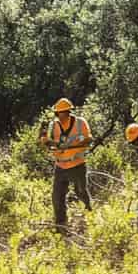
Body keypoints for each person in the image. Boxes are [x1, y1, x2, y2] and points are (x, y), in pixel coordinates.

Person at [38, 98, 93, 231]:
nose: (61, 115)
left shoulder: (80, 123)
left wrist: (71, 145)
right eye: (59, 113)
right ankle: (61, 226)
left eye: (64, 112)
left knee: (81, 192)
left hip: (77, 165)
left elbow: (89, 139)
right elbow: (46, 144)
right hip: (60, 166)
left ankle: (90, 219)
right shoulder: (52, 125)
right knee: (57, 197)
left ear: (69, 112)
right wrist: (44, 140)